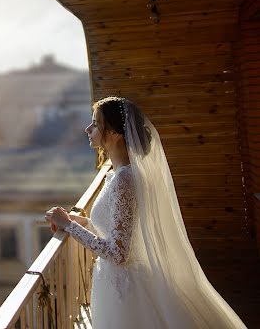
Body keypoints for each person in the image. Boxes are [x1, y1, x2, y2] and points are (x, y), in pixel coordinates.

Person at [44, 96, 248, 329]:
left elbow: (119, 252)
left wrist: (69, 226)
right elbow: (118, 228)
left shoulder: (124, 180)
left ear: (115, 133)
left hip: (126, 294)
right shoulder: (118, 174)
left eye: (95, 123)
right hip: (116, 285)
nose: (87, 129)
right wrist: (81, 222)